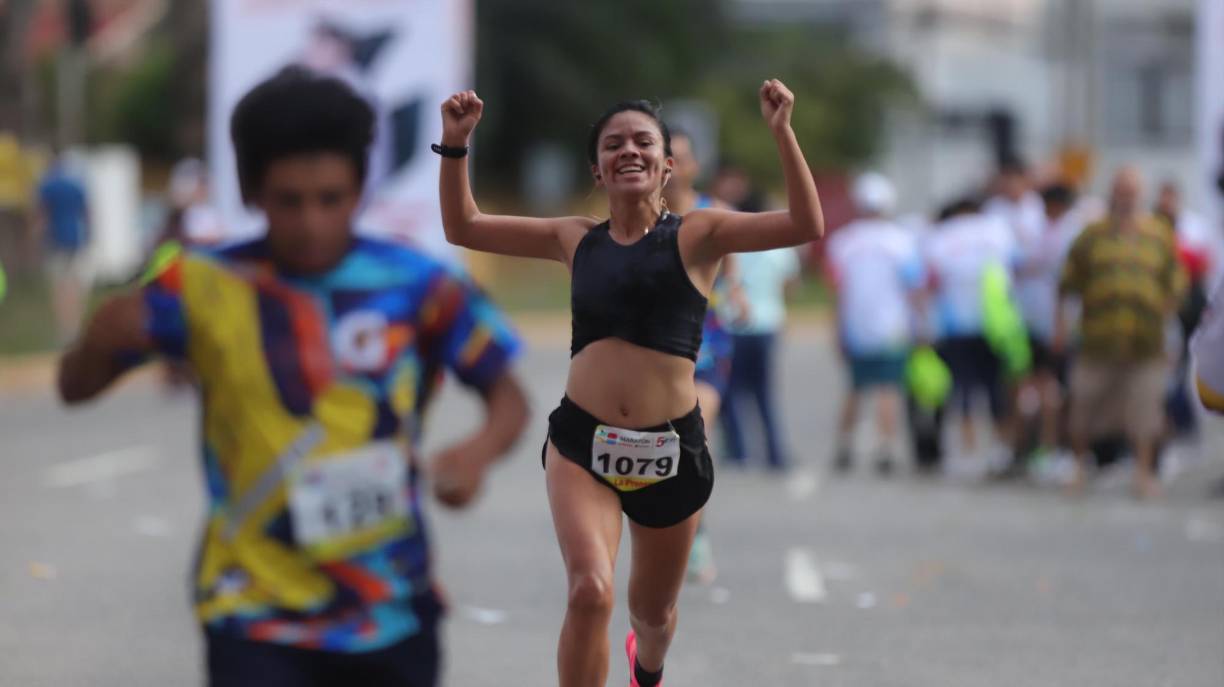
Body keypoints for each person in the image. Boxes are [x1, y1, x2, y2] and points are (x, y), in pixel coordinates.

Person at [58, 68, 530, 687]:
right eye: (289, 201)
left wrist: (474, 455)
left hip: (390, 612)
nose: (311, 223)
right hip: (252, 614)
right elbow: (74, 388)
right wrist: (97, 341)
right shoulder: (198, 286)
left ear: (361, 188)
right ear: (253, 192)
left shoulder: (418, 285)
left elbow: (509, 397)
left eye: (330, 198)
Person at [438, 80, 823, 687]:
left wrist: (783, 133)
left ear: (668, 164)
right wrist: (455, 146)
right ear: (597, 168)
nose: (629, 151)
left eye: (644, 142)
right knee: (589, 591)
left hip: (671, 450)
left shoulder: (700, 235)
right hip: (582, 445)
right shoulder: (574, 239)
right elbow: (465, 227)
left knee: (654, 614)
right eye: (613, 144)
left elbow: (806, 223)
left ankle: (648, 669)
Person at [1055, 166, 1186, 499]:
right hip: (1099, 337)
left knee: (1145, 410)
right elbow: (1067, 282)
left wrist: (1168, 325)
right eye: (1120, 191)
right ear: (1111, 193)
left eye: (1132, 192)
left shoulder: (1159, 234)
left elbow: (1175, 283)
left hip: (1145, 339)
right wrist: (1060, 326)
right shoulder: (1092, 235)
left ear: (1141, 196)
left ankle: (1142, 474)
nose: (1126, 199)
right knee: (1083, 403)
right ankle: (1079, 469)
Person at [662, 128, 743, 584]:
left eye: (682, 157)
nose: (673, 166)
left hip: (708, 344)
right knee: (662, 444)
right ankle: (670, 531)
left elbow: (731, 271)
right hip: (657, 348)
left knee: (694, 434)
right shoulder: (644, 217)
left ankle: (696, 535)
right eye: (666, 157)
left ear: (692, 166)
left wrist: (736, 295)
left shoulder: (717, 214)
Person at [826, 172, 925, 475]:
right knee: (888, 388)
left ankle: (844, 445)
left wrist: (837, 330)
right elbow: (915, 289)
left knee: (855, 387)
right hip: (892, 327)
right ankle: (885, 447)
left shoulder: (843, 242)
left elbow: (837, 291)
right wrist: (922, 326)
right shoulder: (902, 241)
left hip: (856, 327)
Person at [923, 198, 1018, 470]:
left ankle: (969, 451)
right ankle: (1000, 449)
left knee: (962, 389)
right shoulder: (996, 230)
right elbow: (1014, 269)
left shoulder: (942, 236)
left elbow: (930, 281)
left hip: (955, 326)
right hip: (995, 324)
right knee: (995, 389)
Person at [1009, 183, 1084, 466]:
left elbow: (1062, 288)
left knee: (1050, 389)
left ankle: (1051, 447)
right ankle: (1038, 447)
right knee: (1039, 388)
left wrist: (1060, 326)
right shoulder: (1047, 231)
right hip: (1037, 321)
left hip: (1053, 324)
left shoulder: (1067, 234)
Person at [36, 150, 91, 343]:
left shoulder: (47, 185)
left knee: (59, 288)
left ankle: (65, 331)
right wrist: (90, 235)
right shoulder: (75, 184)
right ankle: (77, 327)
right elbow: (87, 212)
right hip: (76, 238)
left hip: (56, 241)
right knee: (75, 286)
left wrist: (36, 237)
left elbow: (41, 215)